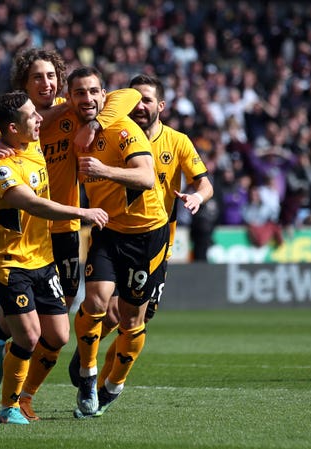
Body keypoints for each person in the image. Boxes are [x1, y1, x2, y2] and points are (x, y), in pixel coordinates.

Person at [0, 48, 140, 421]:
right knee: (27, 322)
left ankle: (18, 384)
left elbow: (128, 94)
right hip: (28, 233)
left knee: (52, 327)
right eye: (37, 77)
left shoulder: (74, 106)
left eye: (52, 76)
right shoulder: (16, 117)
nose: (47, 83)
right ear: (24, 83)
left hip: (65, 230)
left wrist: (93, 124)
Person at [68, 74, 213, 397]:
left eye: (147, 100)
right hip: (114, 229)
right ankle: (89, 365)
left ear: (160, 105)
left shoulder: (177, 141)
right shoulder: (119, 130)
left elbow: (205, 182)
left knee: (134, 317)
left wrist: (197, 197)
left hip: (156, 240)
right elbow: (114, 98)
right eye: (136, 100)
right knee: (102, 301)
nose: (140, 106)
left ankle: (107, 380)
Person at [65, 67, 170, 418]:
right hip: (108, 228)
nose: (88, 99)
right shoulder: (69, 121)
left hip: (146, 234)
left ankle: (114, 385)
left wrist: (103, 170)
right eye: (80, 93)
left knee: (131, 320)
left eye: (95, 92)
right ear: (71, 98)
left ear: (104, 95)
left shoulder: (124, 129)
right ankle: (88, 374)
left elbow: (145, 177)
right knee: (94, 301)